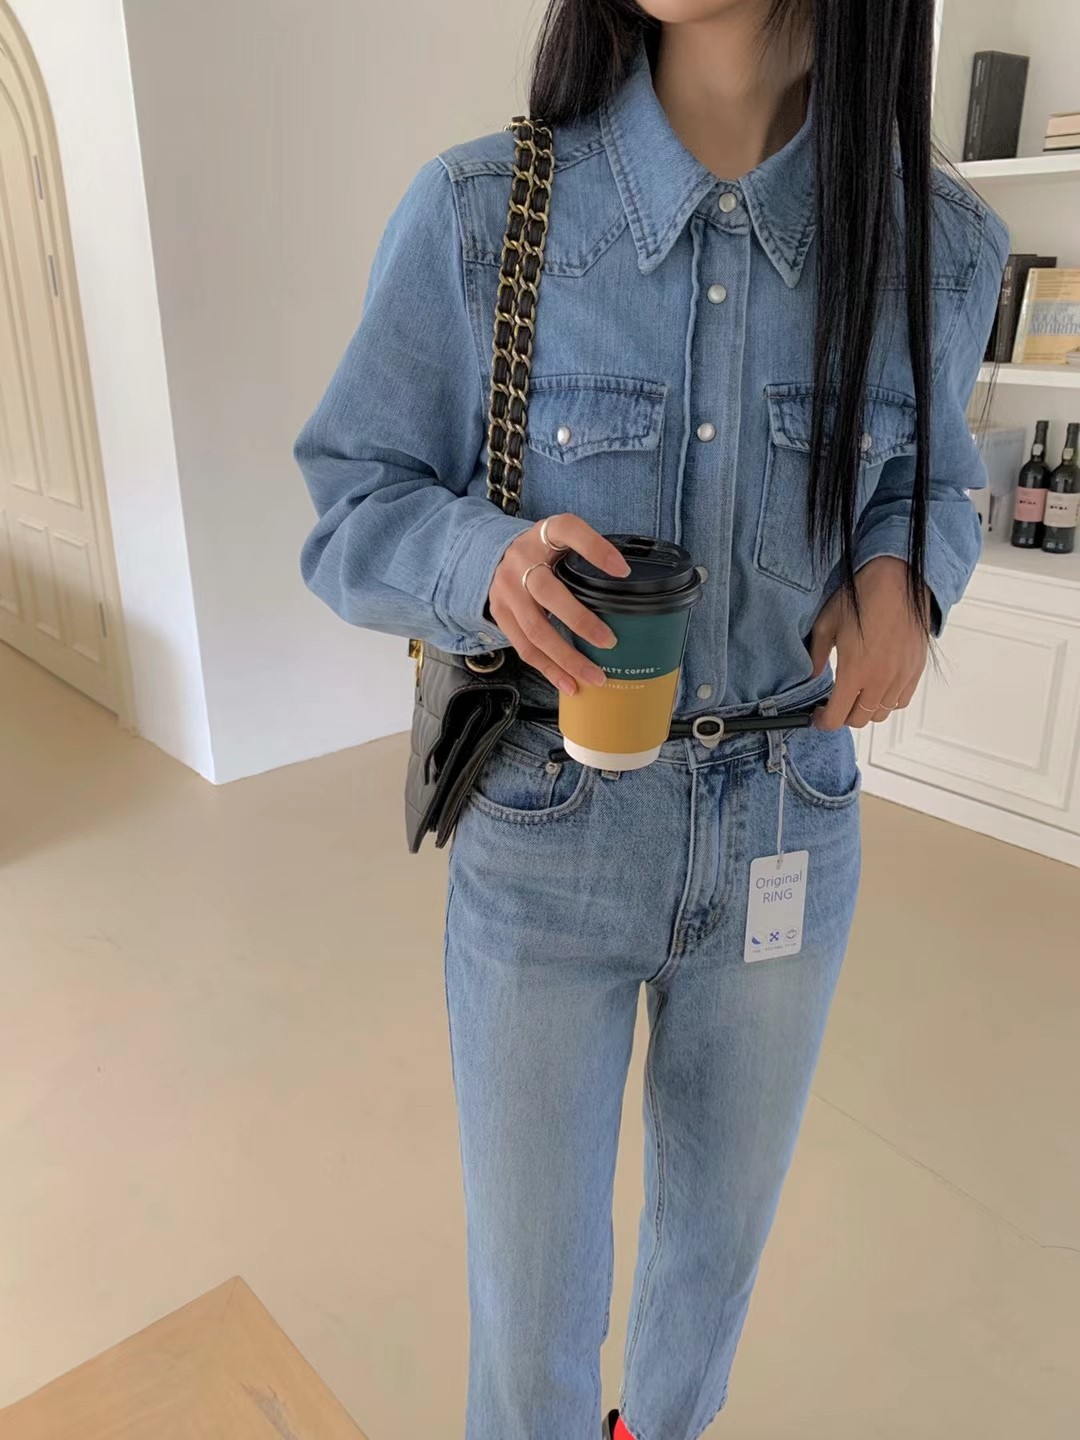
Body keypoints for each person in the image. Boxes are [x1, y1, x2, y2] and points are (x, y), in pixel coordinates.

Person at [294, 2, 1007, 1435]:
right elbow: (351, 503)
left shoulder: (935, 246)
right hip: (546, 830)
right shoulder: (482, 215)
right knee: (531, 1316)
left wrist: (912, 571)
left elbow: (934, 478)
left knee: (711, 1276)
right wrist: (484, 563)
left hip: (788, 824)